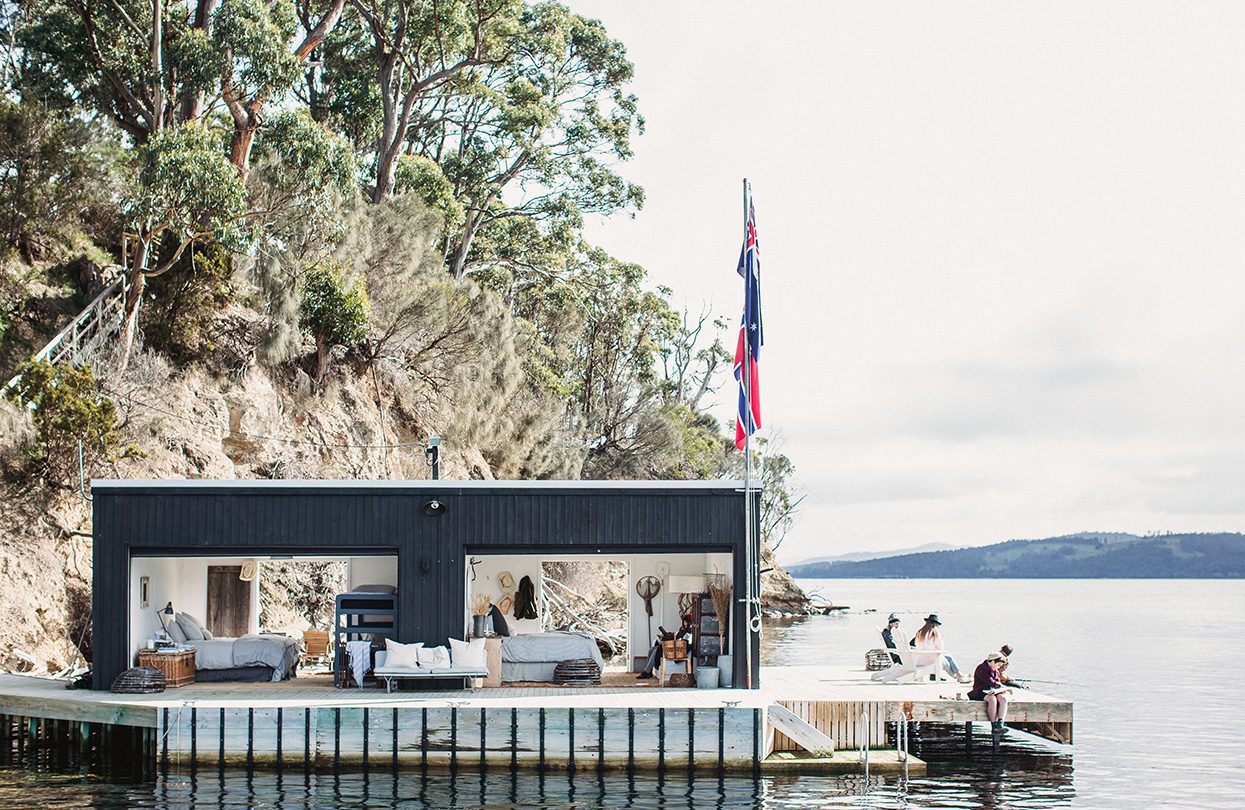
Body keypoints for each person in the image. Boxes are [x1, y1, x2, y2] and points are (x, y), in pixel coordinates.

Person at [910, 613, 967, 682]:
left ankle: (958, 676)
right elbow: (941, 648)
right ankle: (959, 676)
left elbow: (916, 645)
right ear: (935, 624)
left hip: (919, 660)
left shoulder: (919, 632)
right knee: (948, 659)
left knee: (948, 658)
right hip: (931, 661)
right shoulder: (934, 632)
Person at [968, 651, 1012, 733]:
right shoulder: (981, 668)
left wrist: (1002, 689)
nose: (998, 667)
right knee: (992, 700)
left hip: (992, 691)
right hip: (980, 691)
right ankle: (994, 724)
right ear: (992, 661)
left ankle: (1000, 722)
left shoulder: (996, 671)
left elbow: (997, 683)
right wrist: (1004, 688)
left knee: (1003, 699)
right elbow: (991, 682)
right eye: (998, 665)